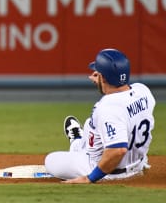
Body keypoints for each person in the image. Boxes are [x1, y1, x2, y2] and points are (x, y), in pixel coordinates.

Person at [45, 48, 156, 183]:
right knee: (90, 124)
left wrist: (90, 178)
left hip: (108, 172)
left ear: (103, 77)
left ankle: (76, 144)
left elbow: (118, 150)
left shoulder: (108, 107)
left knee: (50, 160)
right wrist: (105, 79)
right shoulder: (143, 91)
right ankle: (79, 142)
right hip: (137, 165)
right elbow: (120, 91)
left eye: (98, 73)